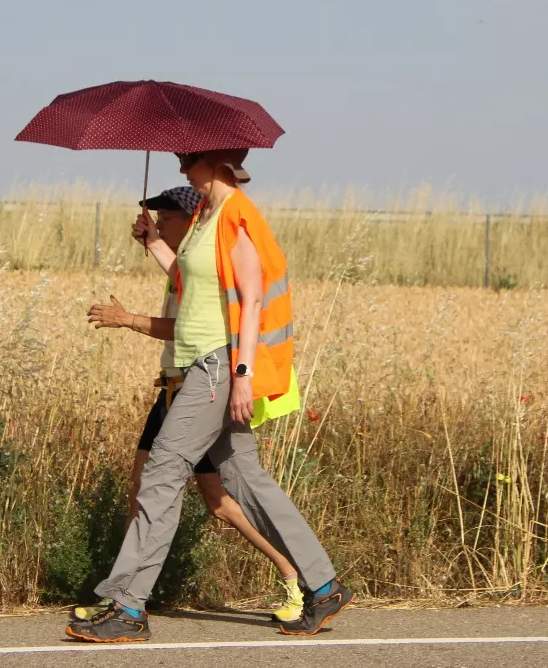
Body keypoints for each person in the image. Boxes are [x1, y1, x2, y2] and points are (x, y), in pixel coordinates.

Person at [66, 149, 350, 643]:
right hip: (205, 361)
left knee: (163, 470)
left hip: (217, 365)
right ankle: (323, 585)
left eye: (189, 158)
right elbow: (192, 281)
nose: (181, 167)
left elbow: (253, 297)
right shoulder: (204, 214)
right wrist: (154, 242)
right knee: (244, 476)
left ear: (217, 161)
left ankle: (129, 609)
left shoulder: (236, 216)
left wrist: (242, 374)